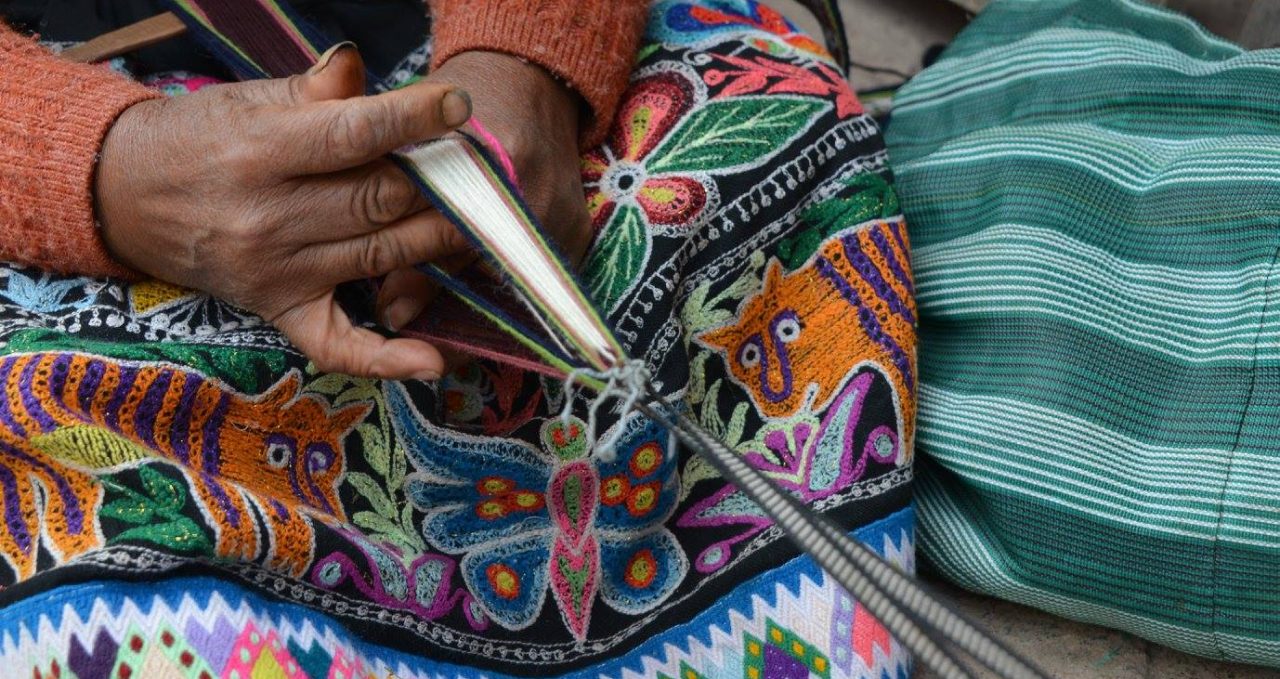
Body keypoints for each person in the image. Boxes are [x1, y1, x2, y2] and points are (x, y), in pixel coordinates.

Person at [0, 1, 918, 677]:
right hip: (63, 163)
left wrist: (525, 62)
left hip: (448, 68)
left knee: (764, 141)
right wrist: (100, 169)